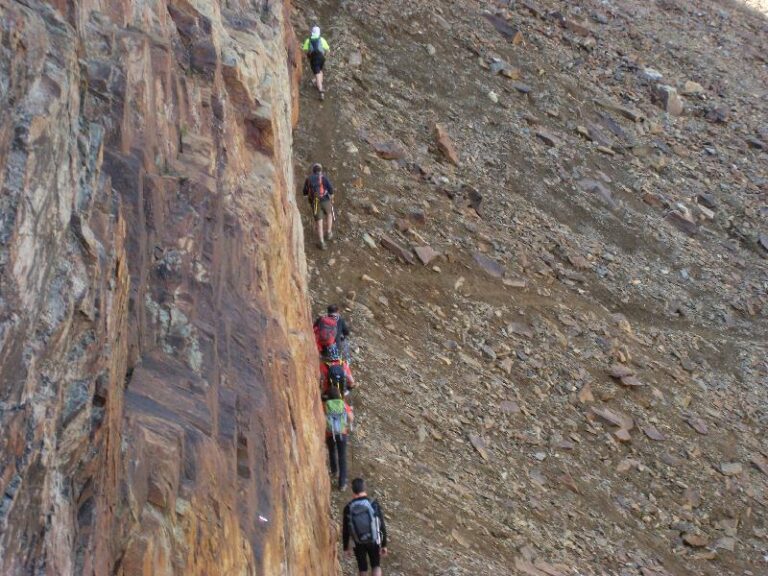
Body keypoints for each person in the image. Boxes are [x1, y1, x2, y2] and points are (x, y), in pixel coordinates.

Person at [343, 478, 388, 576]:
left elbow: (346, 530)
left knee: (362, 568)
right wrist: (384, 544)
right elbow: (381, 525)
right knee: (376, 565)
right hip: (373, 540)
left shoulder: (348, 507)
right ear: (364, 488)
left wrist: (346, 548)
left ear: (352, 490)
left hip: (358, 542)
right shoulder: (373, 503)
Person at [324, 386, 353, 490]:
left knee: (332, 452)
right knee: (342, 457)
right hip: (342, 433)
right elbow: (351, 418)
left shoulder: (325, 405)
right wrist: (346, 423)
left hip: (330, 433)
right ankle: (342, 484)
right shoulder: (343, 404)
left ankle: (334, 471)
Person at [302, 163, 334, 250]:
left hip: (315, 203)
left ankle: (322, 243)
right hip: (325, 200)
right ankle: (329, 233)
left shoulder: (308, 179)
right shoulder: (323, 178)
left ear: (313, 171)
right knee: (329, 214)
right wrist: (331, 197)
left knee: (319, 222)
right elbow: (331, 189)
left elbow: (304, 192)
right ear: (320, 170)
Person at [301, 25, 330, 99]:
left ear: (312, 32)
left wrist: (308, 56)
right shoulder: (322, 39)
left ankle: (320, 90)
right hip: (321, 58)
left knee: (317, 72)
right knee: (319, 71)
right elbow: (328, 50)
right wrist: (325, 56)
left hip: (314, 59)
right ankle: (316, 81)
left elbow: (304, 50)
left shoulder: (308, 40)